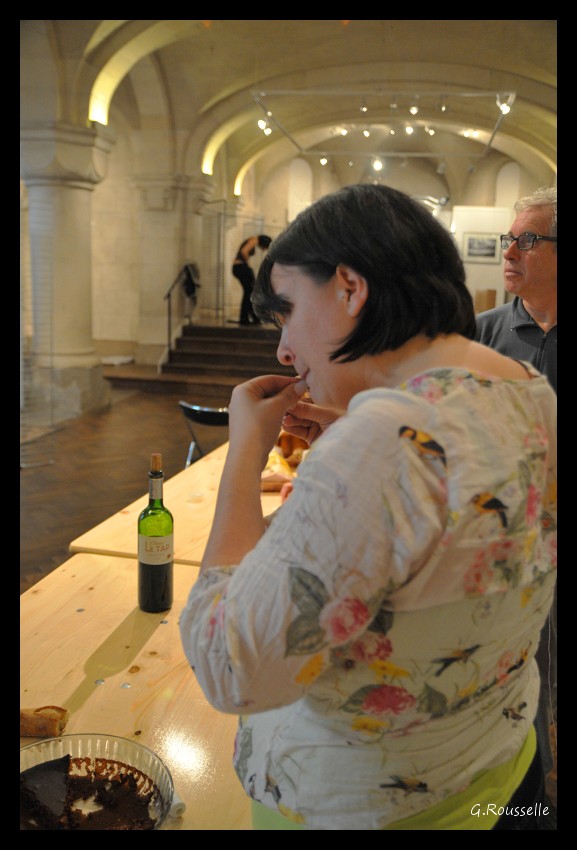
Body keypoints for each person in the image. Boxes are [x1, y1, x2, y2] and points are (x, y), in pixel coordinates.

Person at [179, 184, 557, 830]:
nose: (284, 349)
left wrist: (244, 454)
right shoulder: (529, 389)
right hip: (496, 775)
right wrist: (359, 442)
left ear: (350, 288)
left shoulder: (379, 446)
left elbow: (230, 666)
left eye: (287, 312)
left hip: (377, 807)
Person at [475, 186, 557, 801]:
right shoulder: (481, 335)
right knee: (514, 676)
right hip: (505, 547)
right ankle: (525, 799)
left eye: (526, 240)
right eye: (510, 239)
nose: (510, 252)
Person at [232, 234, 272, 324]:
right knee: (249, 292)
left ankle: (249, 317)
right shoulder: (254, 240)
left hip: (239, 267)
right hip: (240, 267)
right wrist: (248, 264)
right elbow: (244, 251)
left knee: (249, 292)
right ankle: (245, 318)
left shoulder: (253, 240)